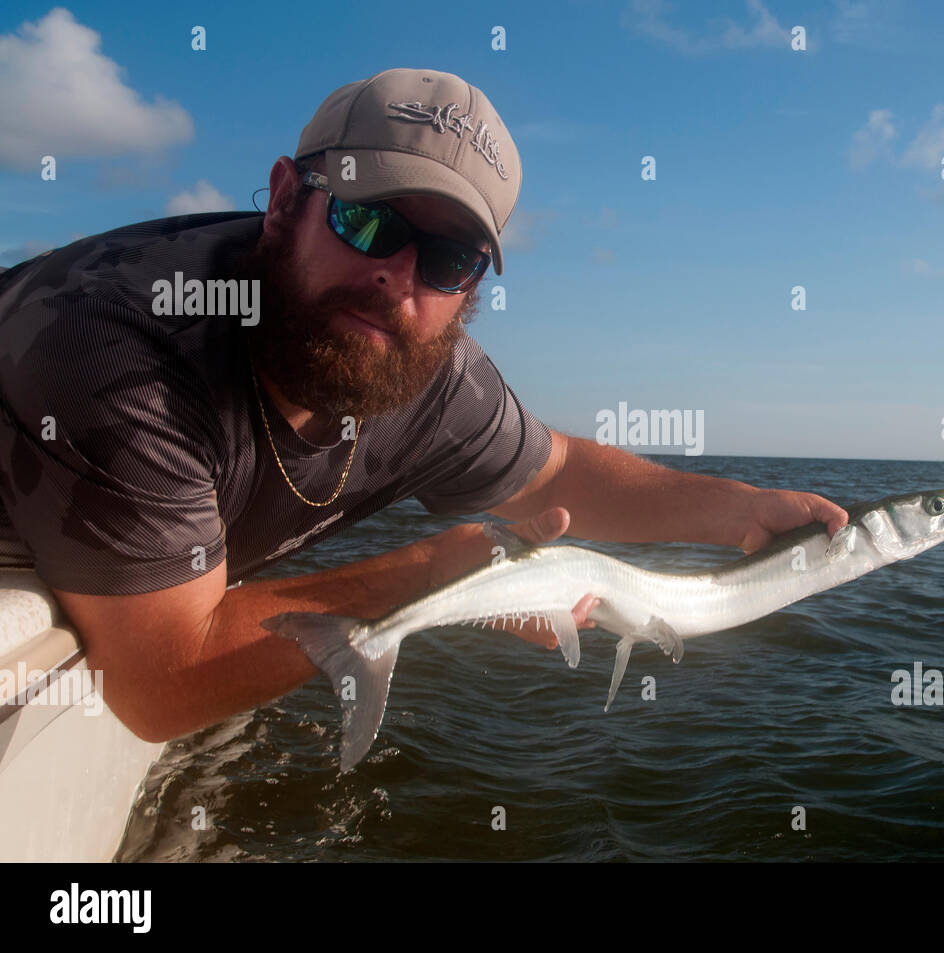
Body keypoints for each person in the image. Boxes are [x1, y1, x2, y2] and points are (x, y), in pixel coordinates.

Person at [0, 68, 846, 745]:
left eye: (448, 259)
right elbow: (161, 683)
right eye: (368, 223)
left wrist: (741, 510)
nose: (398, 279)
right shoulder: (118, 347)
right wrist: (423, 574)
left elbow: (561, 471)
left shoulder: (425, 372)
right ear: (287, 200)